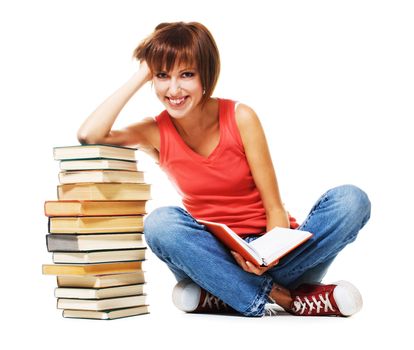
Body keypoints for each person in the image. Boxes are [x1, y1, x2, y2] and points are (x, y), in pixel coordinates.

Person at [77, 21, 371, 317]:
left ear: (206, 74)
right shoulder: (155, 131)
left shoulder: (240, 117)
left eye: (187, 74)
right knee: (159, 223)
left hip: (277, 254)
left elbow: (274, 208)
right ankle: (287, 299)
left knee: (351, 200)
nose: (174, 89)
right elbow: (90, 135)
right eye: (162, 75)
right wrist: (142, 72)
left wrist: (268, 255)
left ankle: (221, 295)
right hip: (212, 256)